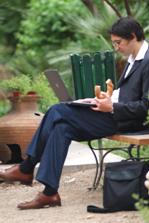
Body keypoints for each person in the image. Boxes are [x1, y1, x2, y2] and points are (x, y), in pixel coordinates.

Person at [0, 16, 149, 210]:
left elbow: (146, 106)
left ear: (132, 36)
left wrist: (112, 107)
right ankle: (49, 193)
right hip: (116, 114)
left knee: (56, 110)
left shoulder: (147, 61)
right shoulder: (132, 59)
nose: (116, 48)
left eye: (118, 43)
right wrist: (105, 99)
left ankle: (26, 169)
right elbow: (126, 95)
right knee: (62, 128)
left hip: (129, 121)